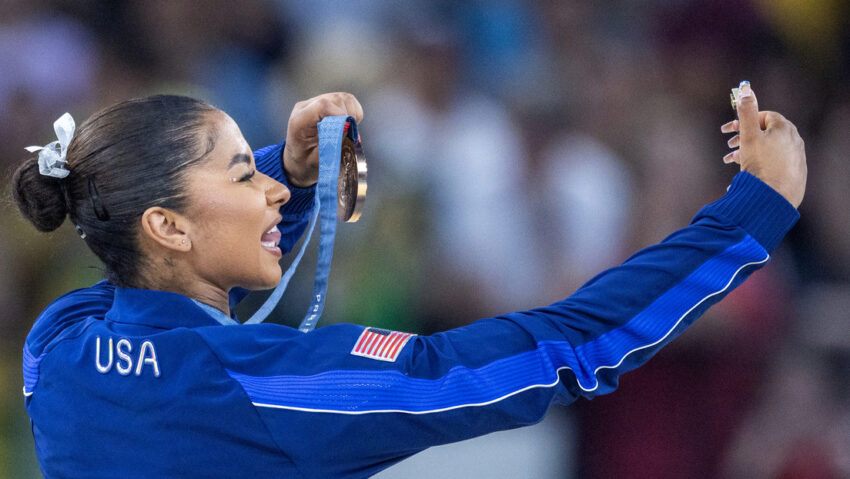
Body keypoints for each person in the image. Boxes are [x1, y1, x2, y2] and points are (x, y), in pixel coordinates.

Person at [13, 84, 805, 478]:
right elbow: (559, 348)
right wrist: (746, 220)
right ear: (168, 224)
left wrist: (280, 167)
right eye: (240, 174)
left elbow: (169, 300)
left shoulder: (55, 349)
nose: (277, 191)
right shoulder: (267, 390)